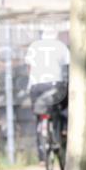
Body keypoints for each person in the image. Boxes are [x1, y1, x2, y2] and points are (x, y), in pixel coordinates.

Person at [25, 26, 70, 160]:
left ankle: (42, 157)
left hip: (36, 86)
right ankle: (63, 130)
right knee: (62, 108)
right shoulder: (61, 46)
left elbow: (29, 67)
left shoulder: (34, 46)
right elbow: (67, 66)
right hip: (55, 85)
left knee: (39, 117)